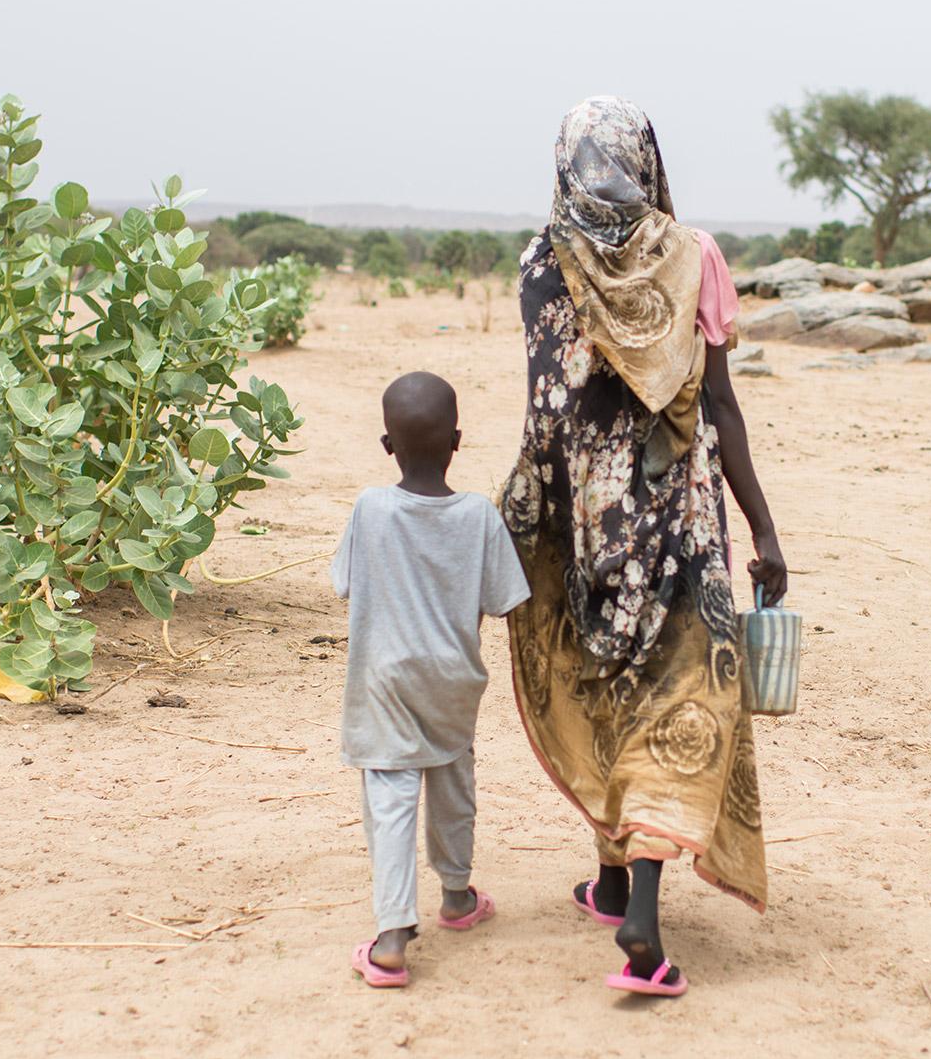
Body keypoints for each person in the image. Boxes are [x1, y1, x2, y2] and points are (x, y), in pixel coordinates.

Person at [502, 96, 787, 998]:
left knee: (609, 682)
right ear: (644, 159)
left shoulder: (542, 264)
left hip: (589, 528)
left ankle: (615, 874)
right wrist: (765, 531)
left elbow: (549, 420)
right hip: (685, 522)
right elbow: (723, 407)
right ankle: (641, 915)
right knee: (679, 693)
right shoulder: (694, 255)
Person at [332, 371, 532, 988]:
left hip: (385, 680)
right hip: (452, 680)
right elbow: (506, 601)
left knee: (391, 797)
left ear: (387, 445)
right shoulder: (479, 515)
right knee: (452, 783)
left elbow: (343, 583)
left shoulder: (371, 507)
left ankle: (393, 934)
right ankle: (456, 896)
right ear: (458, 441)